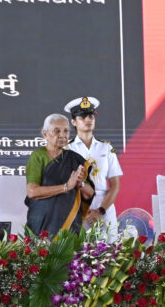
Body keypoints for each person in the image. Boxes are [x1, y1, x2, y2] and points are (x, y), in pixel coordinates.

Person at [25, 114, 95, 236]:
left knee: (69, 253)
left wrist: (80, 184)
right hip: (42, 225)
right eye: (56, 131)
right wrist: (66, 187)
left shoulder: (75, 159)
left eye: (66, 131)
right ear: (45, 134)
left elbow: (89, 194)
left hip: (70, 225)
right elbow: (32, 192)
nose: (62, 135)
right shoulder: (38, 156)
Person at [65, 96, 123, 239]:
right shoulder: (66, 150)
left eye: (91, 116)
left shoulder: (106, 148)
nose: (88, 119)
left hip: (105, 209)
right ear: (73, 122)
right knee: (78, 256)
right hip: (77, 208)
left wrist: (100, 210)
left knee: (110, 254)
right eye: (82, 117)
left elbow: (115, 185)